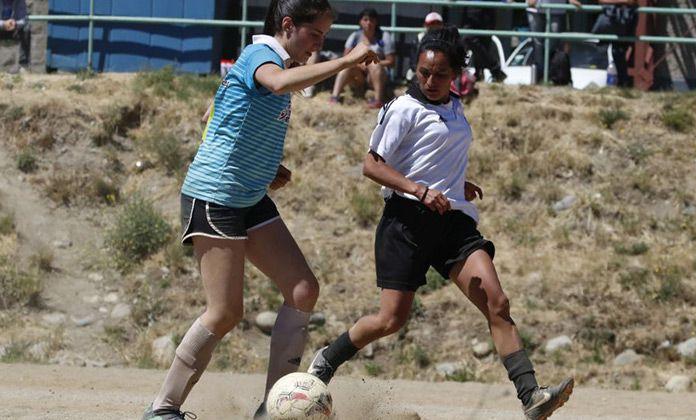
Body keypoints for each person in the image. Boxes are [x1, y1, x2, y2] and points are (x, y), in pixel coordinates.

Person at [307, 26, 573, 420]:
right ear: (416, 69)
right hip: (406, 223)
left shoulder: (455, 105)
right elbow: (372, 165)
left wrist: (455, 181)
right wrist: (419, 188)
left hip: (451, 220)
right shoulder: (402, 109)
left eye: (440, 75)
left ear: (456, 75)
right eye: (424, 73)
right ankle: (326, 360)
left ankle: (531, 396)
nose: (430, 81)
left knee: (496, 302)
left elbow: (432, 153)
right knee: (390, 319)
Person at [141, 1, 378, 419]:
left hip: (248, 195)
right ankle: (162, 409)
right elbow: (278, 83)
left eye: (326, 38)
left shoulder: (273, 63)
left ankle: (274, 410)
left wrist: (268, 165)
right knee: (226, 311)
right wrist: (347, 59)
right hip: (216, 196)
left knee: (303, 289)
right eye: (315, 35)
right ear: (288, 25)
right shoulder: (261, 56)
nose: (319, 46)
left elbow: (216, 115)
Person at [330, 8, 396, 109]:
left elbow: (391, 62)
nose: (368, 23)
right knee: (345, 67)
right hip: (359, 76)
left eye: (371, 20)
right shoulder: (355, 36)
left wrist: (371, 63)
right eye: (365, 20)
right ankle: (335, 97)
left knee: (374, 64)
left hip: (376, 76)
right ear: (360, 22)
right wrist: (358, 64)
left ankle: (378, 100)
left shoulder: (384, 36)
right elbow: (345, 59)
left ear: (376, 22)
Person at [526, 0, 582, 83]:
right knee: (538, 45)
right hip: (534, 8)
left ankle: (549, 76)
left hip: (556, 8)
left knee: (551, 44)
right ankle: (542, 78)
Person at [592, 0, 638, 87]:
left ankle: (623, 83)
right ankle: (619, 83)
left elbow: (632, 1)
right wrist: (623, 1)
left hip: (625, 20)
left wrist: (616, 2)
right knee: (608, 50)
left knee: (619, 52)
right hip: (611, 19)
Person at [462, 0, 506, 82]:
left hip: (488, 8)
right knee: (468, 39)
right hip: (471, 7)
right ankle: (495, 70)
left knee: (483, 43)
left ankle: (479, 73)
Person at [1, 0, 30, 74]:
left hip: (13, 27)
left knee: (26, 28)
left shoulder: (19, 1)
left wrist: (15, 23)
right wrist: (3, 24)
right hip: (2, 25)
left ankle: (23, 64)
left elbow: (23, 20)